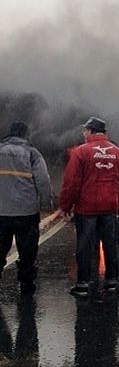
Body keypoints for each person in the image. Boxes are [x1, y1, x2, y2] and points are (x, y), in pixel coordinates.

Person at [59, 117, 119, 297]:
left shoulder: (81, 152)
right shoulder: (117, 153)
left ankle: (82, 284)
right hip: (109, 208)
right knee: (110, 245)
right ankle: (112, 281)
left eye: (85, 130)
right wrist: (117, 204)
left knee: (85, 246)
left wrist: (65, 205)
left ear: (90, 131)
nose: (83, 133)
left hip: (86, 209)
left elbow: (71, 182)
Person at [0, 121, 52, 294]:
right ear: (25, 134)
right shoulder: (32, 153)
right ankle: (26, 284)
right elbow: (43, 180)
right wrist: (46, 201)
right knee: (27, 250)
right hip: (26, 212)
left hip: (1, 212)